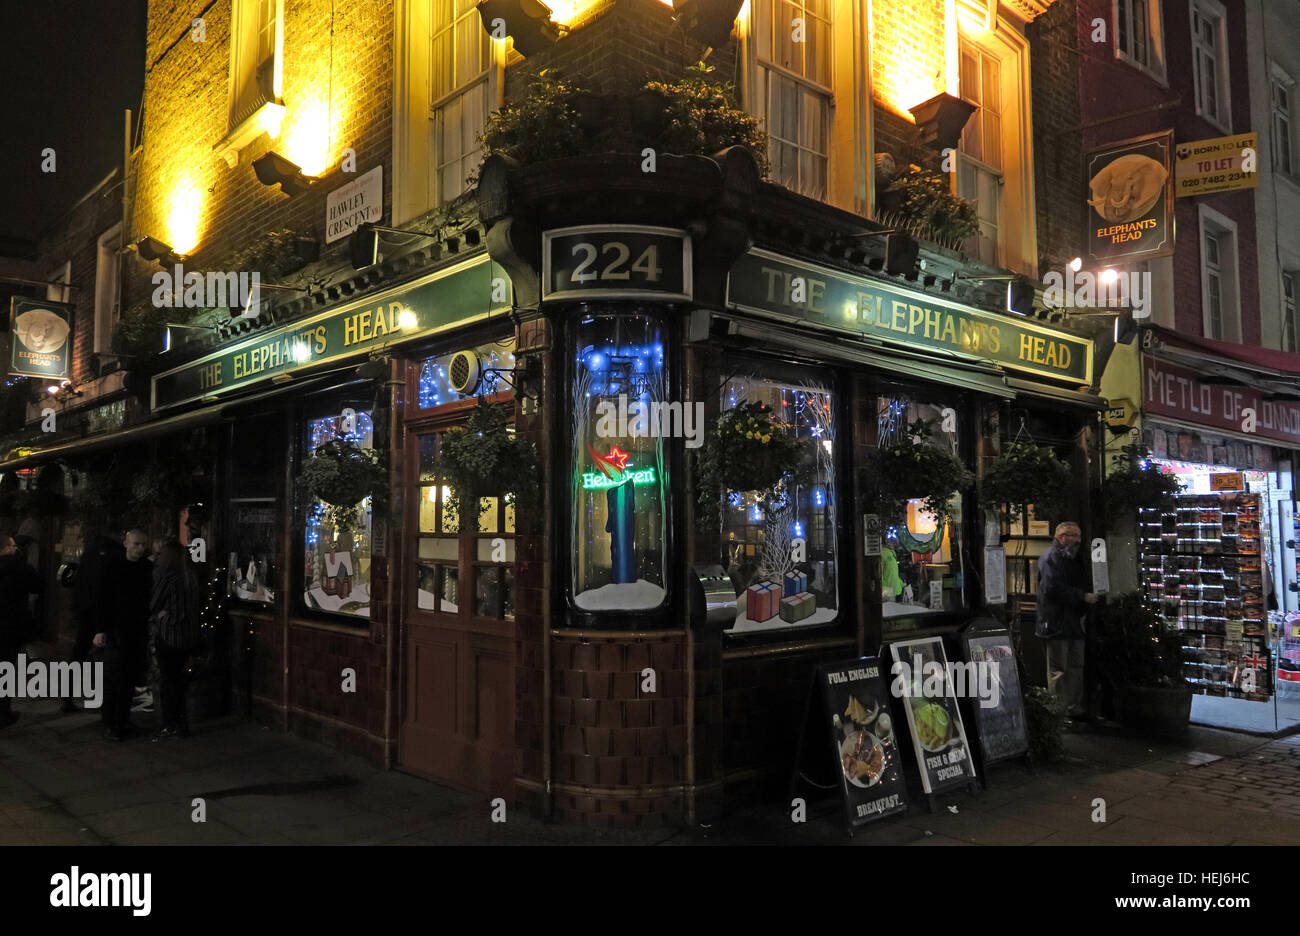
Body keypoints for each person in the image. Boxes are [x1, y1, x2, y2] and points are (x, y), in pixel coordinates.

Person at [93, 529, 153, 741]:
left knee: (128, 677)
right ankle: (112, 721)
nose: (139, 548)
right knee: (115, 677)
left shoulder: (146, 568)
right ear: (126, 543)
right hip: (117, 629)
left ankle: (122, 719)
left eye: (143, 544)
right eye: (136, 544)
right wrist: (101, 629)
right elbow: (102, 599)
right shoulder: (113, 566)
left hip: (136, 629)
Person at [1036, 521, 1097, 724]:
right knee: (1059, 669)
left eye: (1079, 536)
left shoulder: (1072, 558)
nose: (1078, 541)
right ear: (1061, 537)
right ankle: (1060, 711)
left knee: (1074, 665)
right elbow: (1052, 588)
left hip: (1072, 621)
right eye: (1073, 536)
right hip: (1057, 621)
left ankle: (1072, 707)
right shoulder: (1052, 558)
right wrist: (1082, 596)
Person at [149, 540, 201, 740]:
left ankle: (169, 723)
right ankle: (182, 724)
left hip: (170, 636)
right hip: (188, 637)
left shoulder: (168, 578)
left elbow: (153, 604)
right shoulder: (191, 578)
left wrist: (163, 615)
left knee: (168, 681)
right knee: (179, 681)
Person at [0, 534, 42, 728]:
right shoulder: (21, 567)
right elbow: (37, 586)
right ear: (8, 547)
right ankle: (3, 713)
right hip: (11, 627)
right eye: (13, 545)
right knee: (6, 669)